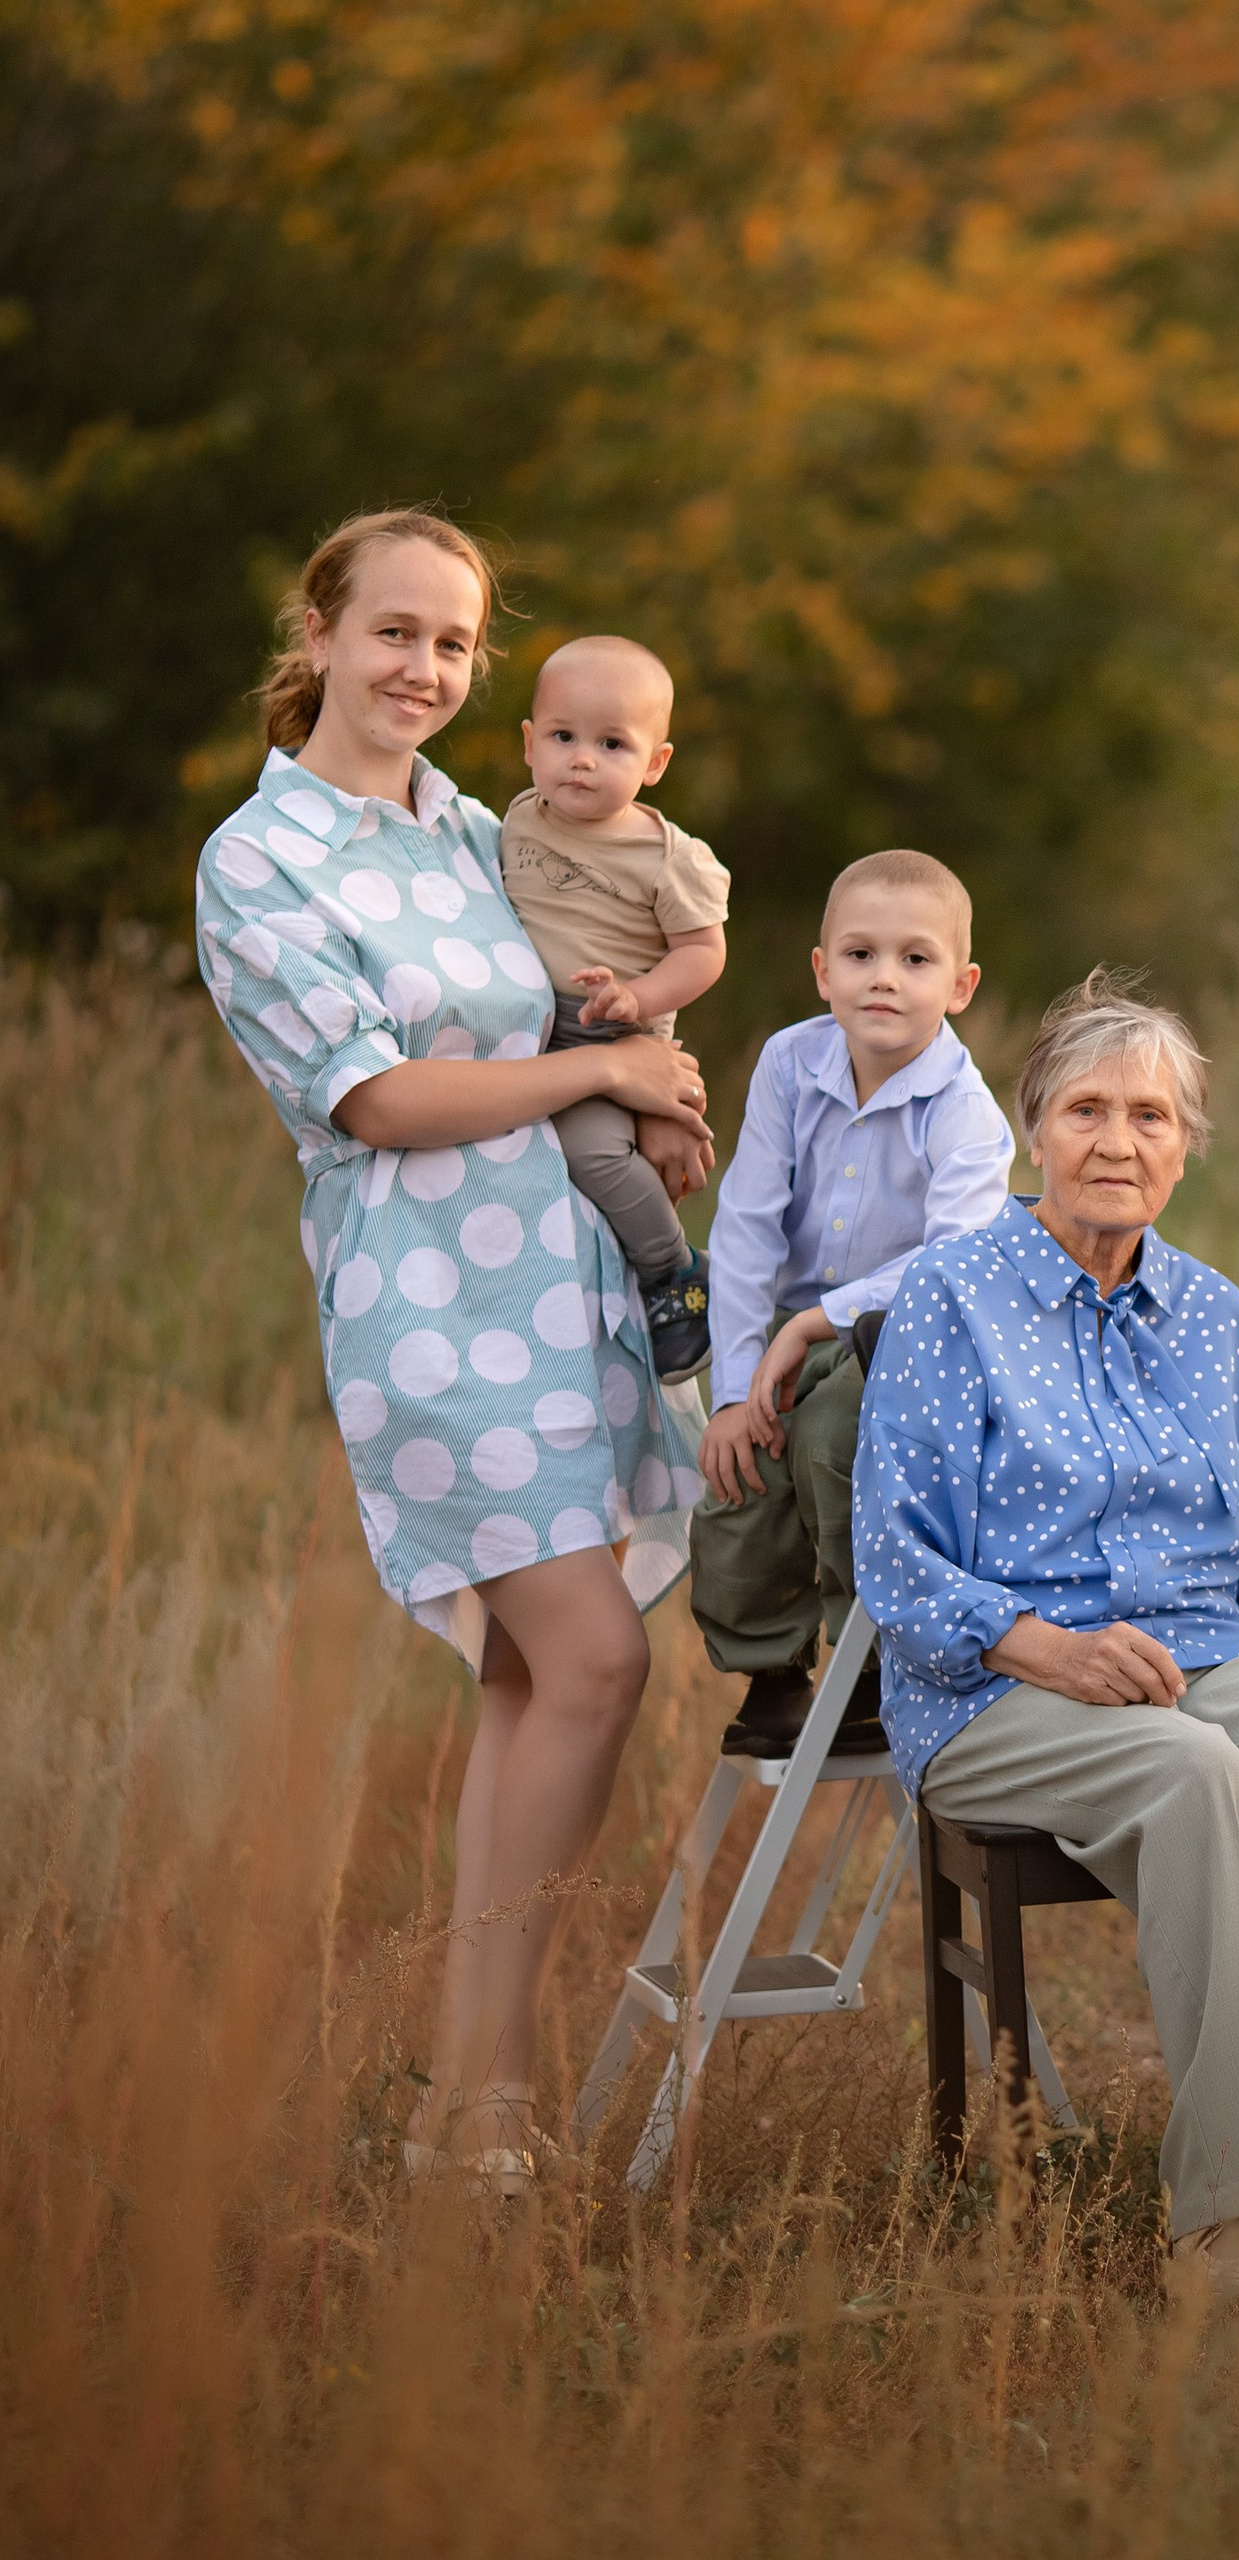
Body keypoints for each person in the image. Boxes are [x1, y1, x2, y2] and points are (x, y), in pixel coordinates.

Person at [195, 508, 714, 2193]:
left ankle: (470, 2096)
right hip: (423, 1311)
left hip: (558, 1291)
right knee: (593, 1661)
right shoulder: (262, 863)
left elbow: (587, 999)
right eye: (394, 630)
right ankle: (476, 2089)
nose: (423, 667)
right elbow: (376, 1098)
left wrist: (655, 1091)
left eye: (454, 643)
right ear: (324, 634)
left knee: (523, 1678)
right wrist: (593, 1082)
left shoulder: (476, 832)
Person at [854, 970, 1239, 2293]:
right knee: (1193, 1772)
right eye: (1088, 1110)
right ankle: (1236, 2217)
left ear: (1186, 1143)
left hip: (1205, 1649)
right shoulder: (951, 1298)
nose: (1119, 1141)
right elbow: (890, 1552)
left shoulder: (1218, 1317)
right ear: (1034, 1126)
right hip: (991, 1686)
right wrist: (1040, 1645)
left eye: (1151, 1117)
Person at [691, 848, 1014, 1760]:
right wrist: (732, 1385)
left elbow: (953, 1260)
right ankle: (773, 1674)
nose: (885, 979)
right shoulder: (791, 1064)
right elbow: (748, 1225)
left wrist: (814, 1323)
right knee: (743, 1463)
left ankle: (869, 1664)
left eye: (916, 960)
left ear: (960, 984)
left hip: (903, 1337)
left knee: (835, 1437)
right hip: (788, 1330)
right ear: (823, 970)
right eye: (861, 955)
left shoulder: (963, 1110)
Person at [501, 635, 732, 1378]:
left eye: (612, 744)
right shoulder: (516, 821)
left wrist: (640, 996)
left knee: (589, 1150)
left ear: (655, 763)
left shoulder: (666, 855)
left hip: (613, 1033)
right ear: (531, 744)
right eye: (564, 738)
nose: (582, 760)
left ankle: (674, 1274)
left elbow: (703, 952)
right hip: (527, 1028)